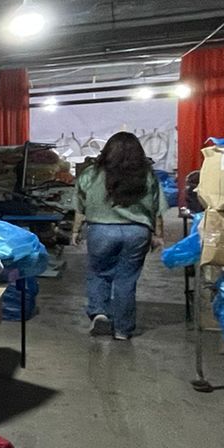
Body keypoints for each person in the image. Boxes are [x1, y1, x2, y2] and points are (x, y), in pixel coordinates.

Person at [72, 131, 166, 340]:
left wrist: (76, 230)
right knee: (126, 279)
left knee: (99, 273)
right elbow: (157, 209)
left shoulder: (91, 174)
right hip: (137, 232)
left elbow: (80, 206)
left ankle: (100, 313)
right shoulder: (147, 175)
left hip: (101, 231)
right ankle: (123, 330)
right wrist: (158, 234)